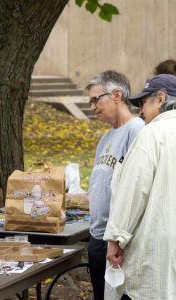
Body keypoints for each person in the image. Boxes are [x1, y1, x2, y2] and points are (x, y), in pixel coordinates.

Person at [104, 74, 176, 300]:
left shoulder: (151, 134)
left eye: (143, 103)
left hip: (154, 250)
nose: (140, 111)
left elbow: (133, 190)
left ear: (160, 98)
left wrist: (116, 239)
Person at [86, 70, 144, 300]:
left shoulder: (137, 130)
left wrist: (118, 239)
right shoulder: (106, 138)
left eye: (95, 99)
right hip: (97, 236)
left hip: (118, 242)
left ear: (117, 95)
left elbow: (135, 187)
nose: (92, 107)